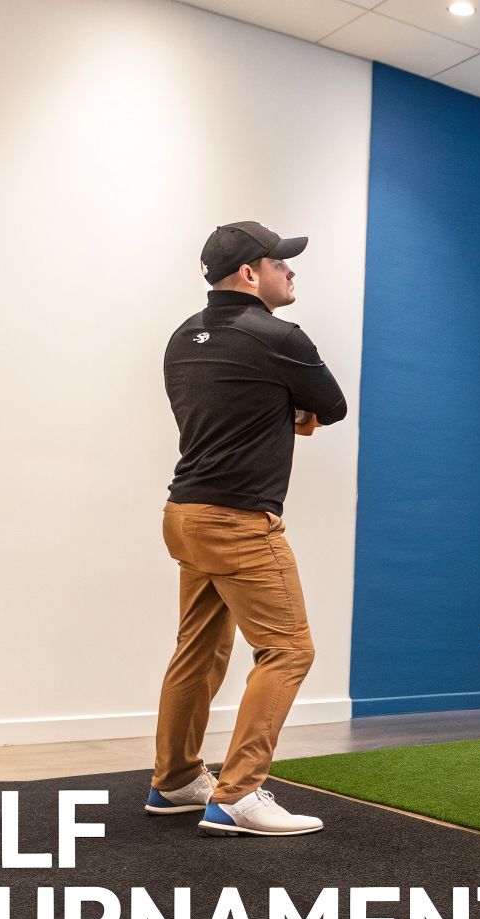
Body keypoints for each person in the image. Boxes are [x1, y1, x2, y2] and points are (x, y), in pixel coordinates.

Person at [144, 221, 348, 836]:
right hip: (238, 521)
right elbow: (332, 407)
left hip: (184, 515)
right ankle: (239, 795)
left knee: (199, 648)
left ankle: (176, 780)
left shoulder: (182, 337)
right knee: (289, 649)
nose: (291, 270)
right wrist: (291, 408)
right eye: (280, 262)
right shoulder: (279, 336)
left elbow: (227, 406)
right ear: (250, 274)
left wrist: (276, 407)